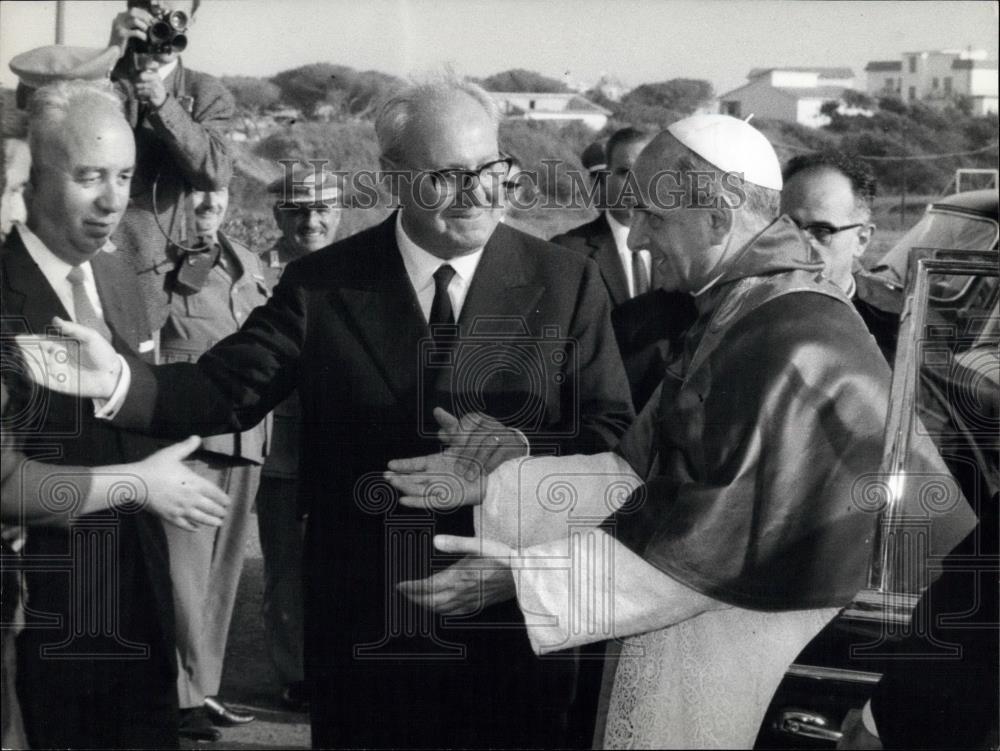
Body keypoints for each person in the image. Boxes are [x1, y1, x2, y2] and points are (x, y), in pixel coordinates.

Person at [21, 77, 634, 749]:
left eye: (493, 170)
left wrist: (516, 451)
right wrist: (122, 383)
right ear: (395, 177)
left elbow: (612, 437)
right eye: (450, 176)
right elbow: (225, 387)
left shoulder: (565, 280)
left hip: (511, 629)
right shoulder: (323, 284)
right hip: (368, 638)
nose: (479, 193)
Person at [383, 114, 977, 749]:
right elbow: (639, 477)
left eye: (654, 217)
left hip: (807, 643)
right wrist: (497, 490)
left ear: (718, 219)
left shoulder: (790, 338)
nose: (635, 237)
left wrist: (522, 580)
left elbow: (705, 544)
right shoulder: (746, 307)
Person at [0, 77, 193, 750]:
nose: (113, 200)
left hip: (138, 607)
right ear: (34, 180)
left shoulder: (118, 273)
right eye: (89, 177)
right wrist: (142, 481)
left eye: (125, 176)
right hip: (39, 623)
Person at [157, 185, 269, 739]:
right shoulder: (158, 262)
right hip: (189, 440)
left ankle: (203, 690)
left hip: (247, 437)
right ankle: (178, 697)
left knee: (223, 576)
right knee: (184, 576)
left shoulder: (247, 261)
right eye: (195, 193)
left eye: (217, 193)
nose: (208, 205)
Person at [256, 165, 342, 712]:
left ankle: (339, 664)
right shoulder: (253, 272)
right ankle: (297, 674)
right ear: (277, 214)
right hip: (280, 444)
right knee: (284, 568)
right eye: (297, 209)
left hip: (341, 442)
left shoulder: (358, 268)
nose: (310, 219)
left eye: (322, 208)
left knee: (341, 563)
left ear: (340, 212)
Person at [106, 0, 235, 333]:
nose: (162, 22)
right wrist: (109, 55)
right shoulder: (102, 72)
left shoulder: (205, 92)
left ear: (189, 20)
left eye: (175, 13)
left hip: (147, 264)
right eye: (152, 10)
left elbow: (215, 171)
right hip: (80, 251)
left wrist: (164, 104)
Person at [552, 127, 696, 410]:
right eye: (624, 172)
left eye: (649, 172)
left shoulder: (686, 253)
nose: (636, 184)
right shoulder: (566, 252)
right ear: (605, 177)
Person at [781, 151, 899, 362]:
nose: (802, 243)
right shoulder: (742, 309)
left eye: (821, 231)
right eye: (788, 227)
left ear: (861, 240)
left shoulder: (899, 324)